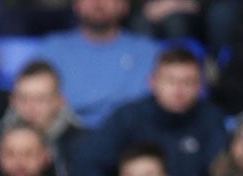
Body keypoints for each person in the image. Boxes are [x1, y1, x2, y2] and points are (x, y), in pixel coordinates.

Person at [71, 46, 226, 176]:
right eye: (171, 81)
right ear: (152, 82)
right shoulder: (129, 117)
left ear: (200, 87)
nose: (179, 90)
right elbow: (88, 164)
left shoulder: (211, 119)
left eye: (188, 82)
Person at [33, 0, 162, 126]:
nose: (98, 3)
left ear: (124, 5)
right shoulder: (52, 49)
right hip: (65, 134)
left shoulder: (147, 52)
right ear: (76, 4)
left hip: (132, 135)